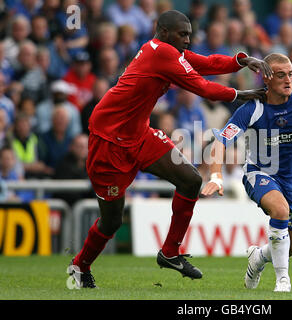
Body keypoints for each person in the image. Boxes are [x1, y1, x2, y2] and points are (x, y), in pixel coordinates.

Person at [67, 10, 273, 289]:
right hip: (109, 142)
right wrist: (245, 94)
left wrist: (241, 60)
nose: (188, 40)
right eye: (183, 34)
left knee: (190, 180)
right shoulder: (161, 53)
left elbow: (207, 62)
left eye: (189, 34)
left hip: (139, 135)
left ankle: (170, 252)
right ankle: (79, 266)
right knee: (111, 221)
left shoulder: (167, 51)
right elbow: (205, 88)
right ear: (164, 32)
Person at [201, 53, 292, 292]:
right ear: (267, 79)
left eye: (290, 74)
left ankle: (258, 258)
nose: (288, 80)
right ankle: (283, 280)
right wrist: (216, 175)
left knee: (291, 248)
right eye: (281, 75)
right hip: (259, 173)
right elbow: (221, 141)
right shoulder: (252, 109)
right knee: (280, 210)